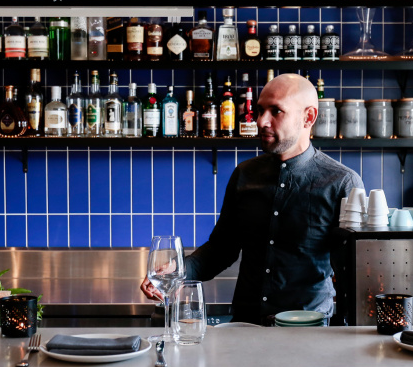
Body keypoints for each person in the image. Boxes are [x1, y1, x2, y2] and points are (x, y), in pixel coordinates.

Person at [140, 74, 364, 324]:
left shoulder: (341, 183)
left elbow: (354, 273)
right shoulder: (245, 174)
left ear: (308, 117)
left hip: (309, 328)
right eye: (260, 110)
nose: (261, 121)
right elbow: (221, 249)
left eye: (276, 111)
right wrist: (178, 271)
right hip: (246, 324)